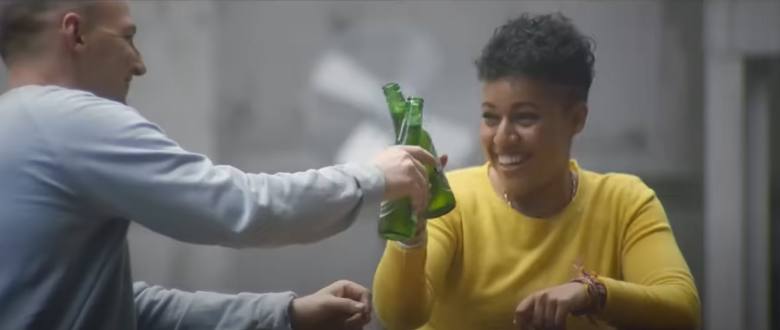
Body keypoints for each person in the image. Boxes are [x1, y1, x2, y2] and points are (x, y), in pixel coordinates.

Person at [0, 1, 440, 329]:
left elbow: (114, 310)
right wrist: (374, 176)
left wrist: (283, 315)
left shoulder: (19, 130)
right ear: (75, 34)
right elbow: (238, 207)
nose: (140, 63)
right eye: (127, 37)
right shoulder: (74, 122)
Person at [373, 12, 701, 330]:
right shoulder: (453, 201)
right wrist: (411, 234)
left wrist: (593, 293)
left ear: (576, 119)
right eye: (490, 117)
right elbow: (399, 316)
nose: (502, 138)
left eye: (525, 118)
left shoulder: (625, 202)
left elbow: (682, 310)